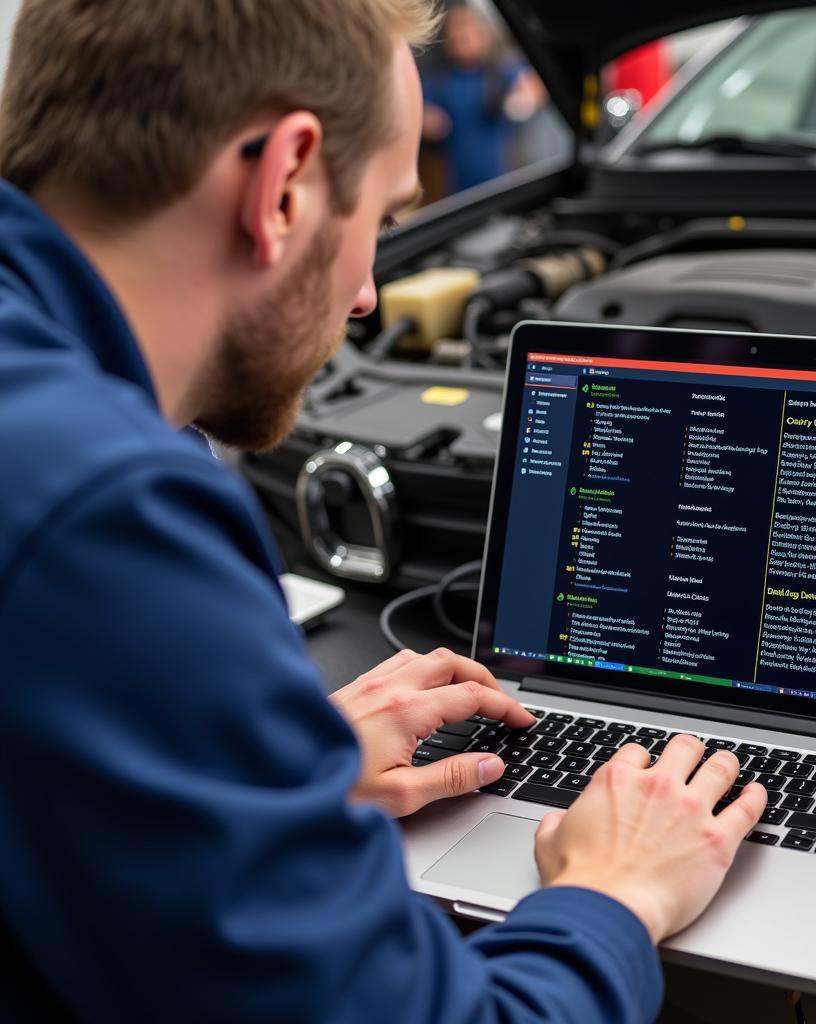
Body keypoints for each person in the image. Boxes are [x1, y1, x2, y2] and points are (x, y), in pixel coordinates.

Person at [0, 2, 767, 1021]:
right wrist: (615, 892)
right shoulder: (109, 511)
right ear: (284, 182)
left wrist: (254, 778)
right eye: (382, 219)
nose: (367, 295)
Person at [422, 3, 544, 192]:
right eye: (454, 27)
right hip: (457, 187)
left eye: (466, 25)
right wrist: (427, 120)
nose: (460, 33)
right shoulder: (440, 80)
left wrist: (523, 100)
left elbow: (532, 85)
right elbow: (423, 111)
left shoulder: (501, 71)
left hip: (503, 181)